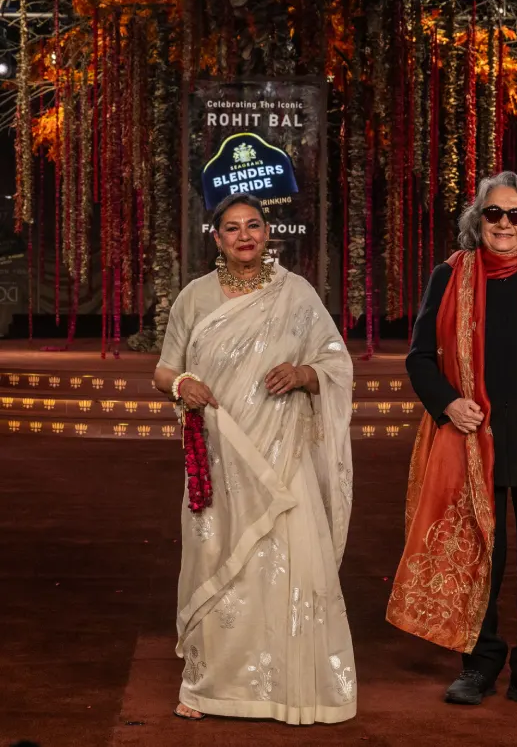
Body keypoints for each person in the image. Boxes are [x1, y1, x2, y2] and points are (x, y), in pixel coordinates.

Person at [387, 172, 517, 714]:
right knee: (480, 553)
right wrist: (448, 403)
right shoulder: (449, 275)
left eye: (516, 215)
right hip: (468, 440)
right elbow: (420, 358)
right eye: (493, 213)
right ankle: (478, 665)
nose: (504, 224)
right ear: (477, 221)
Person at [153, 193, 356, 725]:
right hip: (220, 457)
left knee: (289, 566)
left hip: (283, 454)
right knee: (218, 561)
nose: (244, 235)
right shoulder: (195, 298)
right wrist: (182, 383)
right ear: (216, 238)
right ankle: (208, 689)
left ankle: (292, 690)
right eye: (232, 228)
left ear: (267, 233)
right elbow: (163, 370)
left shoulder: (297, 294)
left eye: (253, 225)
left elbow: (336, 364)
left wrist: (305, 374)